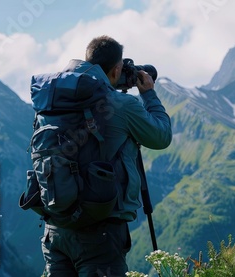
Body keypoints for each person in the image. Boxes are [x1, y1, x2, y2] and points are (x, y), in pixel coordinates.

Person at [41, 35, 172, 276]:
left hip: (55, 227)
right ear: (116, 69)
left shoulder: (52, 102)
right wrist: (149, 95)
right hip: (99, 232)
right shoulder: (121, 104)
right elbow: (161, 137)